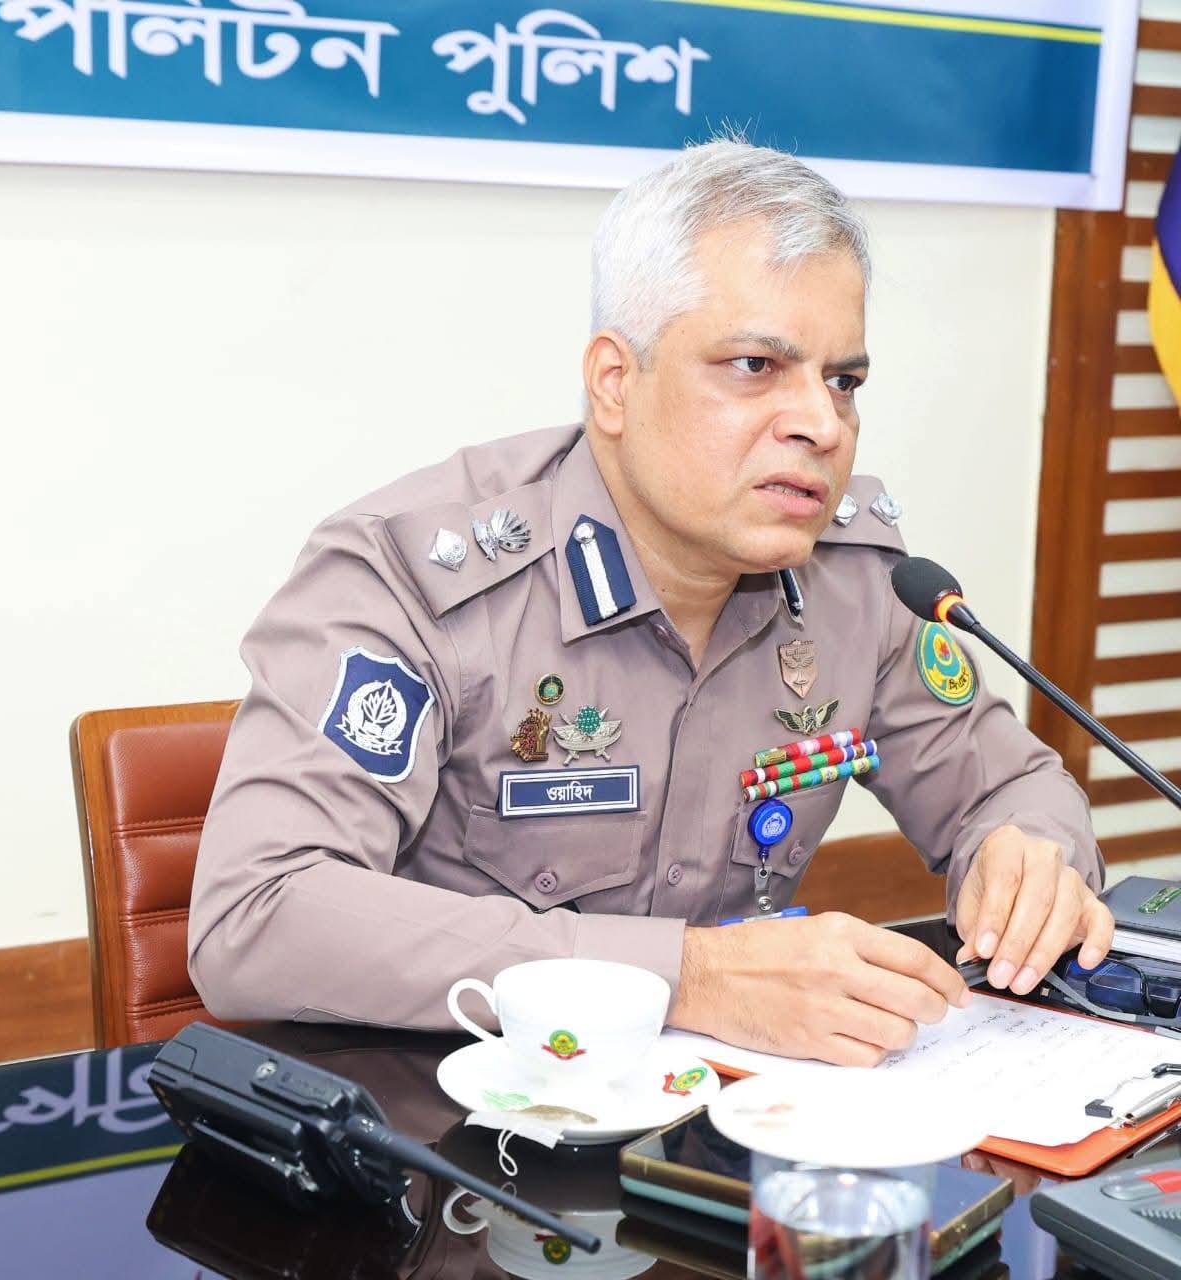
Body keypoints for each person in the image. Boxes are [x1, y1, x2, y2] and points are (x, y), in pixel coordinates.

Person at [188, 140, 1113, 1066]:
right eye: (756, 365)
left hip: (734, 1116)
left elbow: (1011, 789)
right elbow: (257, 916)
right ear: (615, 382)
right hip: (456, 1116)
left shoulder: (859, 584)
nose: (822, 425)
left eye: (843, 381)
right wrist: (691, 976)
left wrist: (1025, 858)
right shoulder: (411, 578)